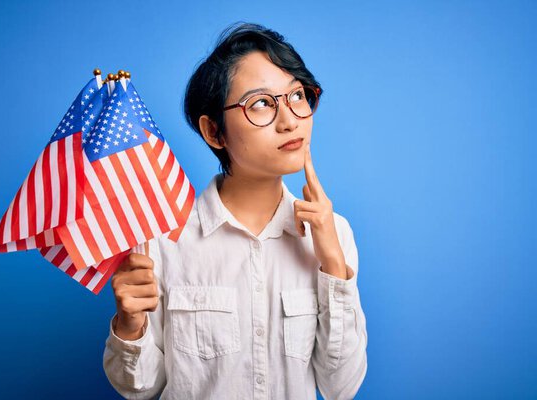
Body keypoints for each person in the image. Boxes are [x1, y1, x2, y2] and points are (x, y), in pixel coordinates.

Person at [103, 22, 368, 400]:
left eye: (297, 95)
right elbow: (140, 388)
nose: (290, 120)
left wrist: (333, 267)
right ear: (214, 132)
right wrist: (129, 325)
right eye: (260, 103)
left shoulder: (334, 234)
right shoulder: (163, 239)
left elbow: (341, 386)